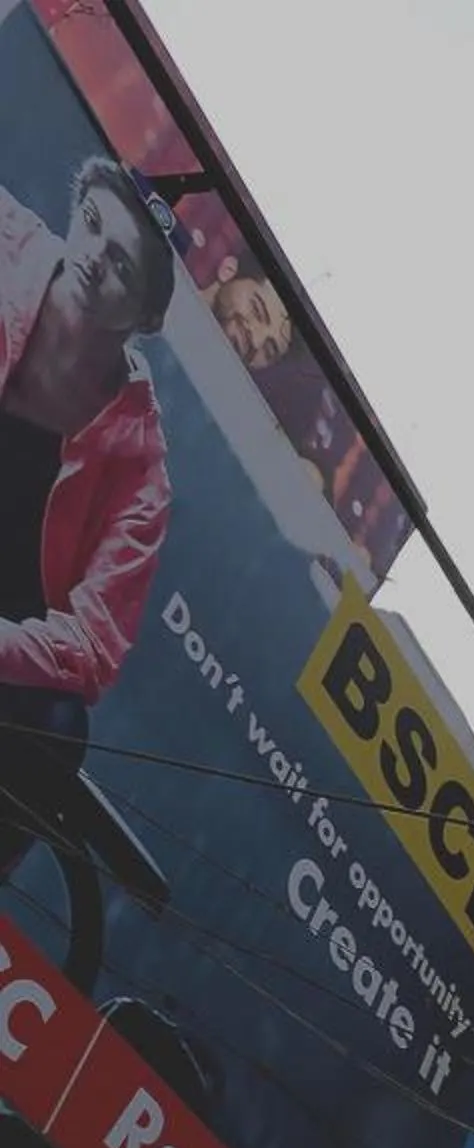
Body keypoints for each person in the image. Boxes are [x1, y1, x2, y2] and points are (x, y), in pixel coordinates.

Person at [0, 151, 175, 820]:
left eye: (123, 266)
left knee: (58, 727)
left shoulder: (142, 467)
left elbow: (95, 647)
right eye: (93, 222)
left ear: (147, 319)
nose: (95, 258)